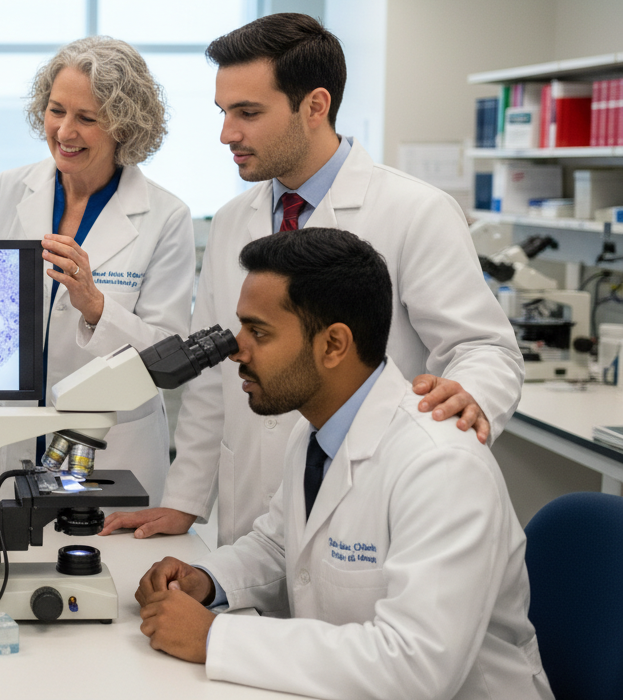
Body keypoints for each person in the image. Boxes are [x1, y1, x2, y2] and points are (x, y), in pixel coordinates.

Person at [102, 13, 522, 545]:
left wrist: (471, 395)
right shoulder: (233, 221)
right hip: (251, 510)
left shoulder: (416, 211)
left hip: (367, 507)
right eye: (224, 111)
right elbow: (213, 379)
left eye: (248, 112)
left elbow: (484, 347)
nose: (227, 134)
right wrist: (183, 502)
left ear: (315, 106)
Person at [135, 228, 549, 700]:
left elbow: (416, 667)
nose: (236, 351)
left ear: (333, 345)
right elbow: (281, 546)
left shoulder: (441, 467)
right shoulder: (315, 430)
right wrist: (208, 580)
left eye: (259, 331)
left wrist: (214, 638)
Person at [0, 36, 196, 503]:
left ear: (124, 128)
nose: (64, 132)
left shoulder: (165, 217)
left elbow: (167, 357)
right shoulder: (8, 192)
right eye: (56, 110)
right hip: (4, 440)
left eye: (87, 119)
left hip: (108, 451)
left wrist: (95, 307)